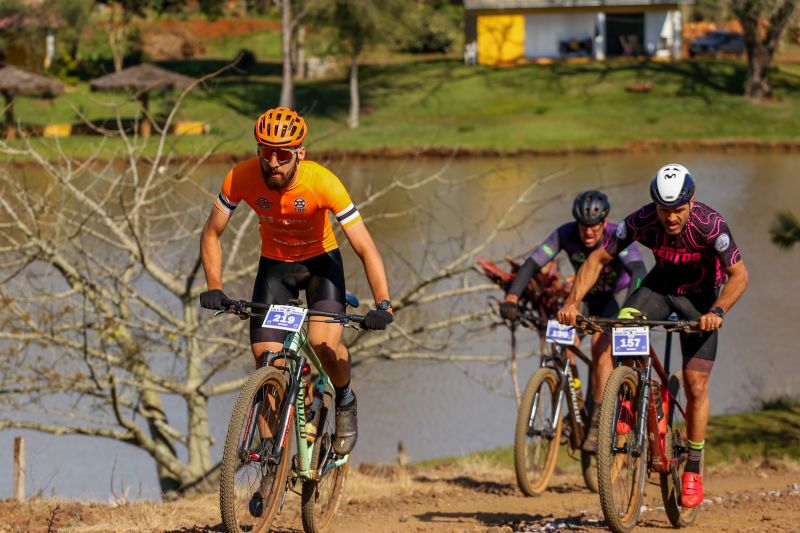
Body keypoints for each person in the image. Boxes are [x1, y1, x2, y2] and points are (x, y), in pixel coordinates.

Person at [199, 106, 394, 456]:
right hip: (275, 268)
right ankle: (270, 460)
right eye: (264, 152)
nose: (272, 162)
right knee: (266, 359)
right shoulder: (240, 177)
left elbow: (365, 247)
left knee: (322, 344)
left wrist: (383, 304)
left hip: (321, 266)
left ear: (299, 153)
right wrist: (215, 286)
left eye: (282, 154)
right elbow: (212, 233)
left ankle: (345, 398)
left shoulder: (323, 182)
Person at [557, 163, 749, 508]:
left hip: (701, 299)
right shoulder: (641, 220)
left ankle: (692, 466)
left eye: (677, 210)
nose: (671, 218)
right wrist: (572, 302)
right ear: (654, 205)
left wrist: (716, 312)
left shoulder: (711, 226)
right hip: (659, 289)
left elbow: (739, 276)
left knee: (696, 386)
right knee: (625, 324)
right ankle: (629, 395)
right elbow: (598, 258)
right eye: (664, 209)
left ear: (691, 202)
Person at [500, 190, 647, 452]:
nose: (588, 232)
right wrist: (511, 298)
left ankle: (598, 424)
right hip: (583, 295)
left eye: (594, 226)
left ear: (604, 222)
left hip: (616, 298)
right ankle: (575, 403)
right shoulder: (564, 234)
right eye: (583, 226)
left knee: (601, 350)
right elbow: (532, 265)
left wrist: (631, 312)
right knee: (560, 342)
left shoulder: (618, 234)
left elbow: (638, 270)